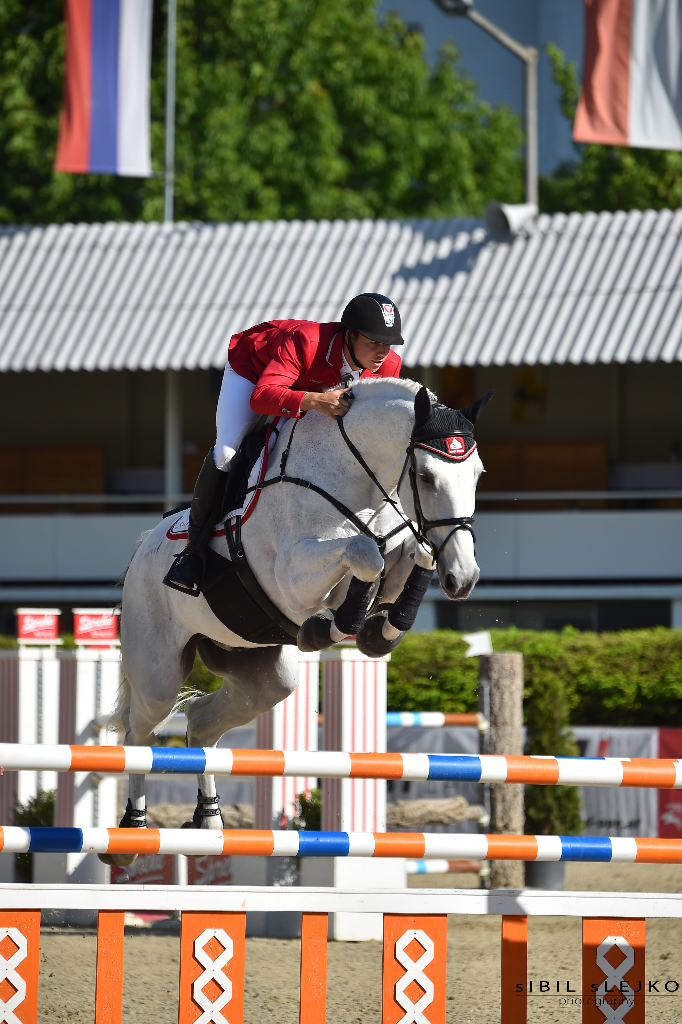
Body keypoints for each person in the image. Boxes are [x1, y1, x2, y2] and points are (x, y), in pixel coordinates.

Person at [165, 292, 405, 593]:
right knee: (228, 451)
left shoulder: (388, 365)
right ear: (349, 336)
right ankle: (194, 551)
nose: (382, 352)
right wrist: (314, 400)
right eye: (373, 342)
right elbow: (262, 397)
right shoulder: (305, 341)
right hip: (254, 372)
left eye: (388, 343)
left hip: (310, 388)